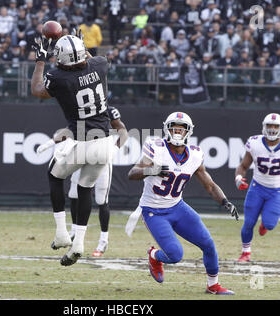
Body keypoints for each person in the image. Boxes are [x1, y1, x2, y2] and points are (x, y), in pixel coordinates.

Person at [31, 32, 119, 266]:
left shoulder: (58, 77)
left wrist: (40, 59)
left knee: (53, 174)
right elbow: (87, 61)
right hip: (105, 143)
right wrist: (80, 46)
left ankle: (61, 233)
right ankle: (78, 243)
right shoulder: (100, 65)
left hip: (83, 141)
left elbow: (38, 90)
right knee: (85, 189)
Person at [127, 111, 238, 295]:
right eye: (174, 128)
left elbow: (209, 185)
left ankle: (213, 285)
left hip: (178, 207)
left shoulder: (195, 154)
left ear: (188, 132)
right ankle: (154, 255)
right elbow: (132, 174)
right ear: (167, 129)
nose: (177, 132)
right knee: (175, 255)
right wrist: (152, 170)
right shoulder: (156, 148)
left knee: (208, 244)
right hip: (154, 211)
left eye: (182, 129)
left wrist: (225, 201)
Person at [37, 106, 128, 258]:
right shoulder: (81, 108)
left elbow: (123, 131)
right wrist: (51, 142)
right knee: (74, 194)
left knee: (101, 199)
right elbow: (70, 129)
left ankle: (103, 239)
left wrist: (115, 149)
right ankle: (73, 232)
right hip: (81, 151)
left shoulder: (108, 110)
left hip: (102, 157)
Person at [235, 113, 280, 263]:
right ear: (264, 127)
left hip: (276, 191)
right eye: (269, 126)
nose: (272, 129)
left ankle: (265, 223)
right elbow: (243, 166)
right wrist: (239, 178)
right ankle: (245, 253)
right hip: (257, 187)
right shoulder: (255, 143)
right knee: (248, 223)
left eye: (276, 126)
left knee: (270, 224)